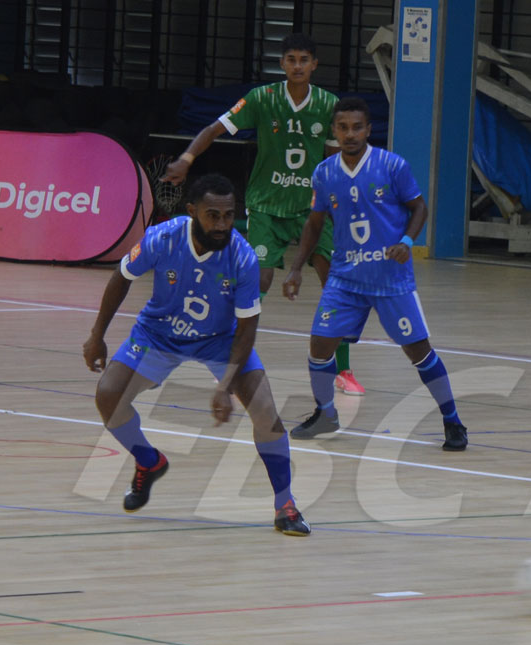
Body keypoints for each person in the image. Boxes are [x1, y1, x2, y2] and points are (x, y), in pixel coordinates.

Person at [81, 173, 310, 536]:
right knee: (109, 395)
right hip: (159, 334)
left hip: (221, 339)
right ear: (192, 211)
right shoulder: (163, 238)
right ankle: (149, 462)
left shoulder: (243, 258)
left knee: (266, 412)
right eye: (212, 215)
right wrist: (97, 335)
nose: (221, 225)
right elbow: (122, 276)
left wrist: (226, 384)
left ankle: (285, 505)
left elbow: (247, 328)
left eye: (228, 215)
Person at [162, 33, 367, 397]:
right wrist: (186, 158)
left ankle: (343, 368)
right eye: (291, 59)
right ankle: (228, 358)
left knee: (336, 285)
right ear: (282, 63)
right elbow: (213, 129)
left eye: (305, 59)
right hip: (267, 206)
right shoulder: (262, 98)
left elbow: (337, 163)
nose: (298, 65)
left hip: (312, 209)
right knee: (259, 282)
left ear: (315, 65)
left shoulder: (329, 105)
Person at [283, 97, 467, 451]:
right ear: (334, 131)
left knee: (419, 352)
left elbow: (419, 206)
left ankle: (452, 420)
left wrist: (406, 241)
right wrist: (295, 268)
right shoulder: (324, 173)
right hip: (345, 278)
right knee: (320, 344)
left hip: (390, 279)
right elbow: (314, 222)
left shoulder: (392, 165)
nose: (349, 134)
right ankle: (325, 414)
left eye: (357, 127)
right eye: (342, 128)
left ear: (369, 129)